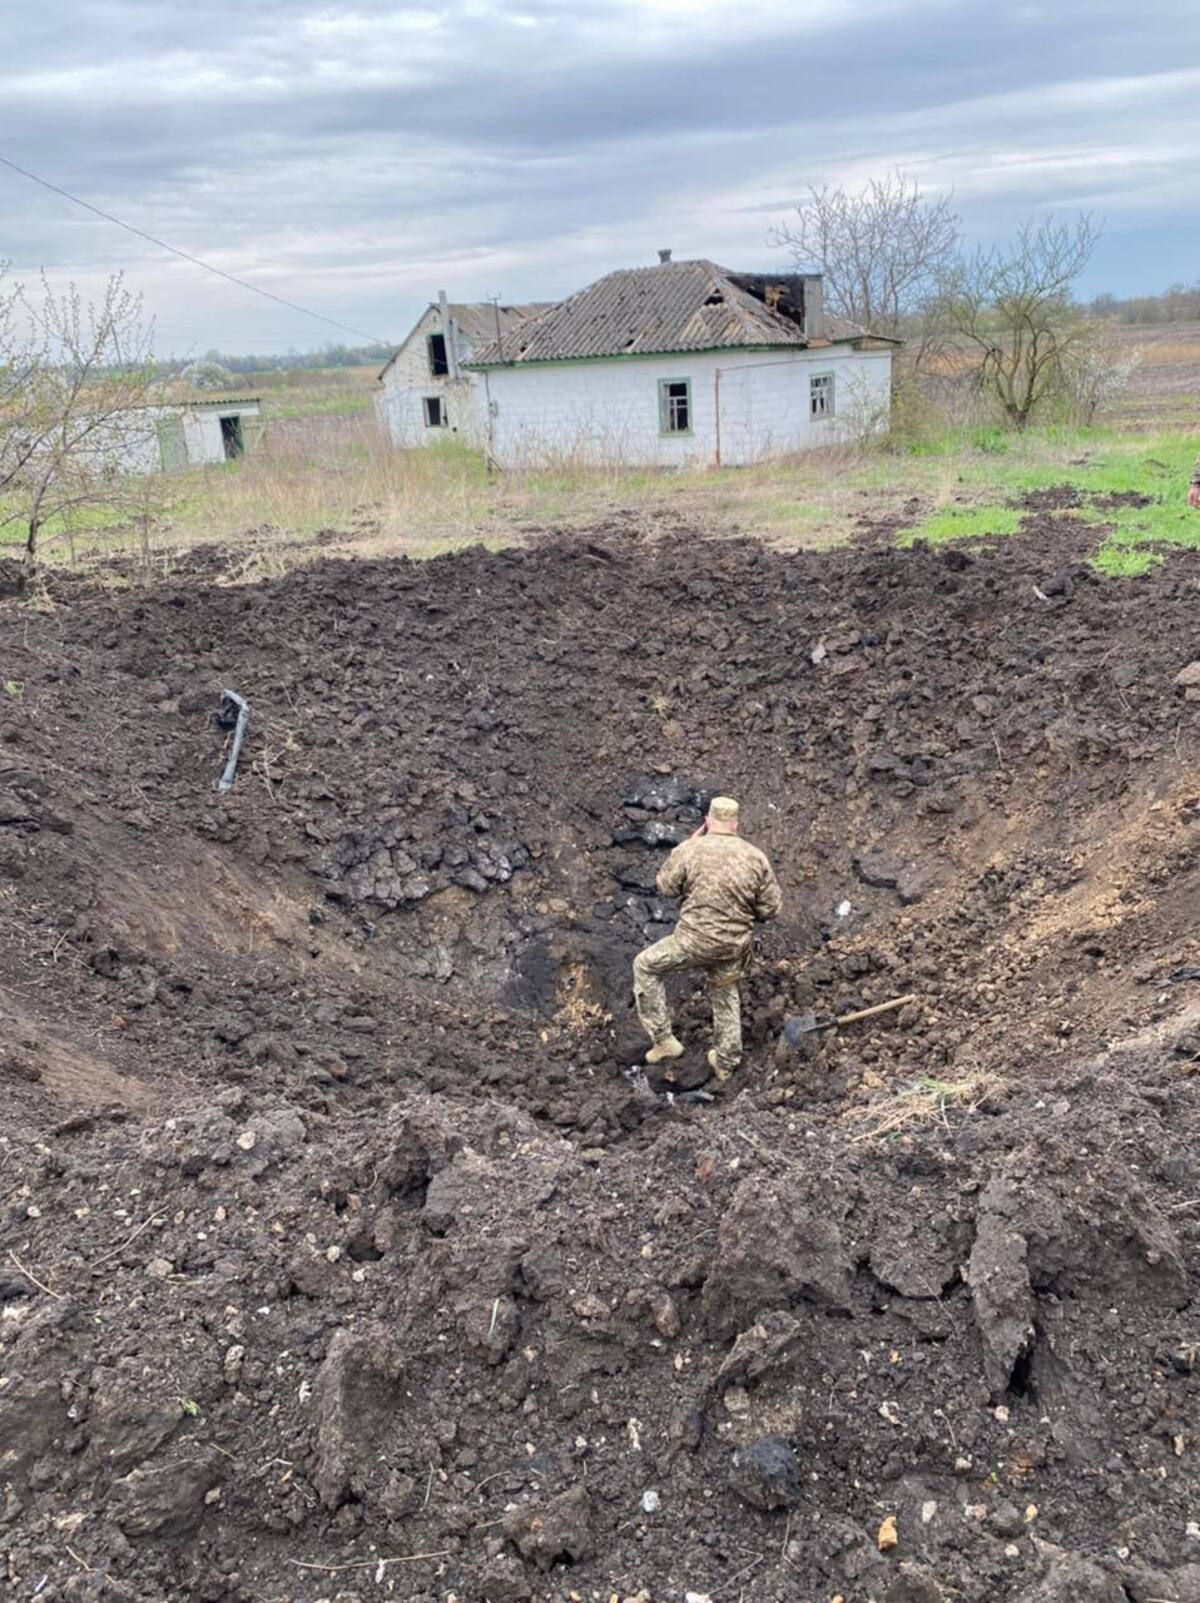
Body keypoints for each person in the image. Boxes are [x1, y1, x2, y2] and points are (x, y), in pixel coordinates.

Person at [633, 795, 782, 1088]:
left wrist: (684, 847)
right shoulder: (755, 857)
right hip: (731, 946)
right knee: (725, 992)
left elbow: (665, 887)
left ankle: (664, 1041)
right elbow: (771, 909)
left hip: (691, 943)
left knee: (646, 966)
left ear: (708, 821)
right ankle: (725, 1063)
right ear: (736, 825)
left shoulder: (691, 850)